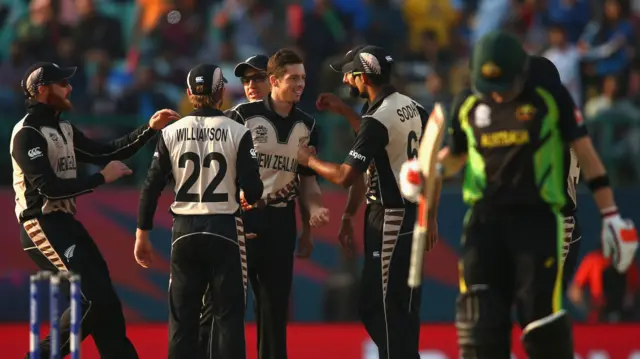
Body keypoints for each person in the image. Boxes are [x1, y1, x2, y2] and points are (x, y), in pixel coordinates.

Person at [436, 31, 637, 359]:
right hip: (485, 220)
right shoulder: (470, 103)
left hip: (541, 220)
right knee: (480, 323)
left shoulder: (550, 102)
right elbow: (455, 155)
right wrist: (430, 172)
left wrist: (611, 214)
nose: (499, 97)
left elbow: (587, 156)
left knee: (540, 322)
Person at [11, 62, 179, 359]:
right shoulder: (27, 133)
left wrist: (149, 129)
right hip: (40, 225)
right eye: (62, 82)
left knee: (107, 302)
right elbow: (47, 188)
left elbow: (105, 152)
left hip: (64, 223)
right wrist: (100, 178)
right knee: (90, 300)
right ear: (41, 91)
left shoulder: (62, 127)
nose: (70, 87)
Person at [297, 45, 434, 359]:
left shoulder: (378, 118)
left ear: (363, 76)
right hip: (412, 215)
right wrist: (346, 113)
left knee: (379, 306)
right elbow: (383, 140)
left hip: (390, 216)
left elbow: (346, 175)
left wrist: (309, 160)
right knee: (403, 306)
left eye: (350, 74)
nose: (346, 80)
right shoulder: (413, 106)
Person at [134, 64, 263, 359]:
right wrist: (243, 192)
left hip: (185, 230)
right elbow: (254, 190)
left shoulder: (171, 132)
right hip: (223, 228)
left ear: (190, 94)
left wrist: (142, 234)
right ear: (221, 93)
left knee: (182, 320)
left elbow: (151, 187)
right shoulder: (238, 131)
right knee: (228, 318)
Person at [224, 49, 329, 359]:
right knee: (228, 307)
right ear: (277, 80)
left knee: (274, 311)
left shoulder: (308, 126)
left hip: (281, 224)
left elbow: (308, 181)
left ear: (268, 79)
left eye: (303, 79)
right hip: (241, 220)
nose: (250, 84)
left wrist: (314, 213)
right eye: (246, 79)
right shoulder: (240, 117)